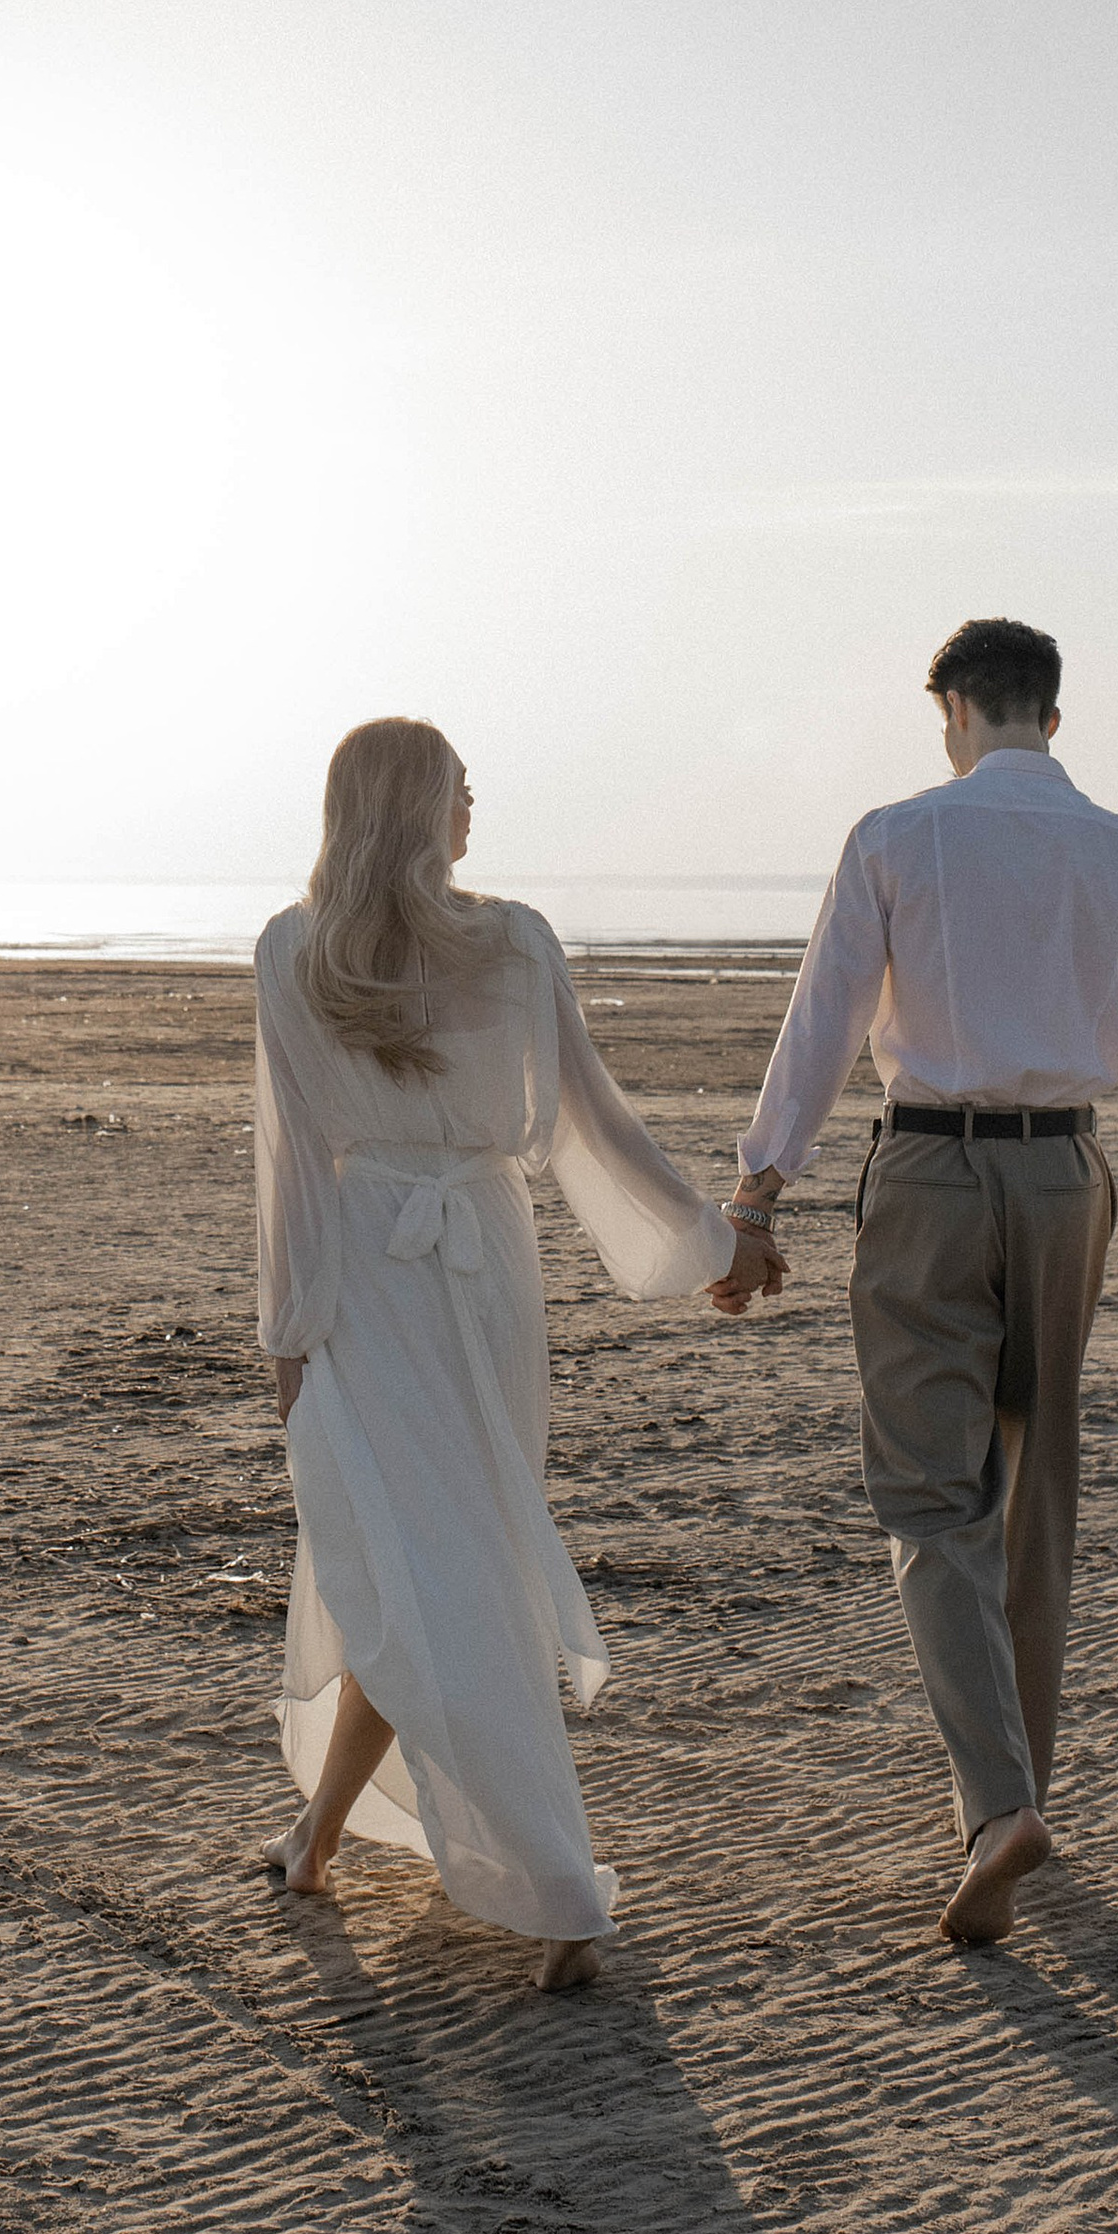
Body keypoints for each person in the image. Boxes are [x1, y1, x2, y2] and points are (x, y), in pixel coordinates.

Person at [714, 619, 1118, 1946]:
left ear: (952, 709)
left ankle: (998, 1808)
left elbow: (823, 1020)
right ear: (1051, 716)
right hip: (1067, 1177)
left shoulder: (896, 836)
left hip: (935, 1173)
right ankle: (1020, 1802)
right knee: (1036, 1492)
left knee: (933, 1497)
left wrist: (759, 1189)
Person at [255, 716, 735, 1992]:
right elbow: (591, 1125)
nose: (476, 803)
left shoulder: (295, 950)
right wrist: (709, 1236)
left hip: (377, 1261)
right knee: (417, 1558)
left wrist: (290, 1332)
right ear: (412, 807)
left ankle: (556, 1884)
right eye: (459, 788)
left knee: (425, 1558)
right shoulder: (505, 939)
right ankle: (315, 1837)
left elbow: (298, 1169)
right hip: (463, 1250)